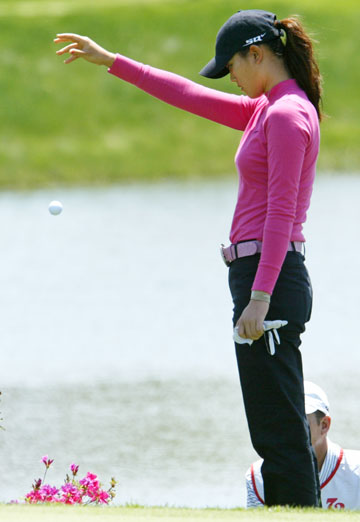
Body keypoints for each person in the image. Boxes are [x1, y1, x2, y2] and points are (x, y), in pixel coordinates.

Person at [54, 8, 323, 506]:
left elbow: (281, 213)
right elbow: (189, 95)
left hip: (271, 278)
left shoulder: (285, 114)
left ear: (257, 54)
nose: (233, 80)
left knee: (279, 432)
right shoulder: (270, 108)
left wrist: (260, 297)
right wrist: (112, 61)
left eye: (234, 67)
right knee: (274, 426)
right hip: (261, 275)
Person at [247, 381, 360, 510]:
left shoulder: (357, 472)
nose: (289, 428)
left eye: (299, 421)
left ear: (324, 425)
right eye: (284, 419)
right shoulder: (257, 477)